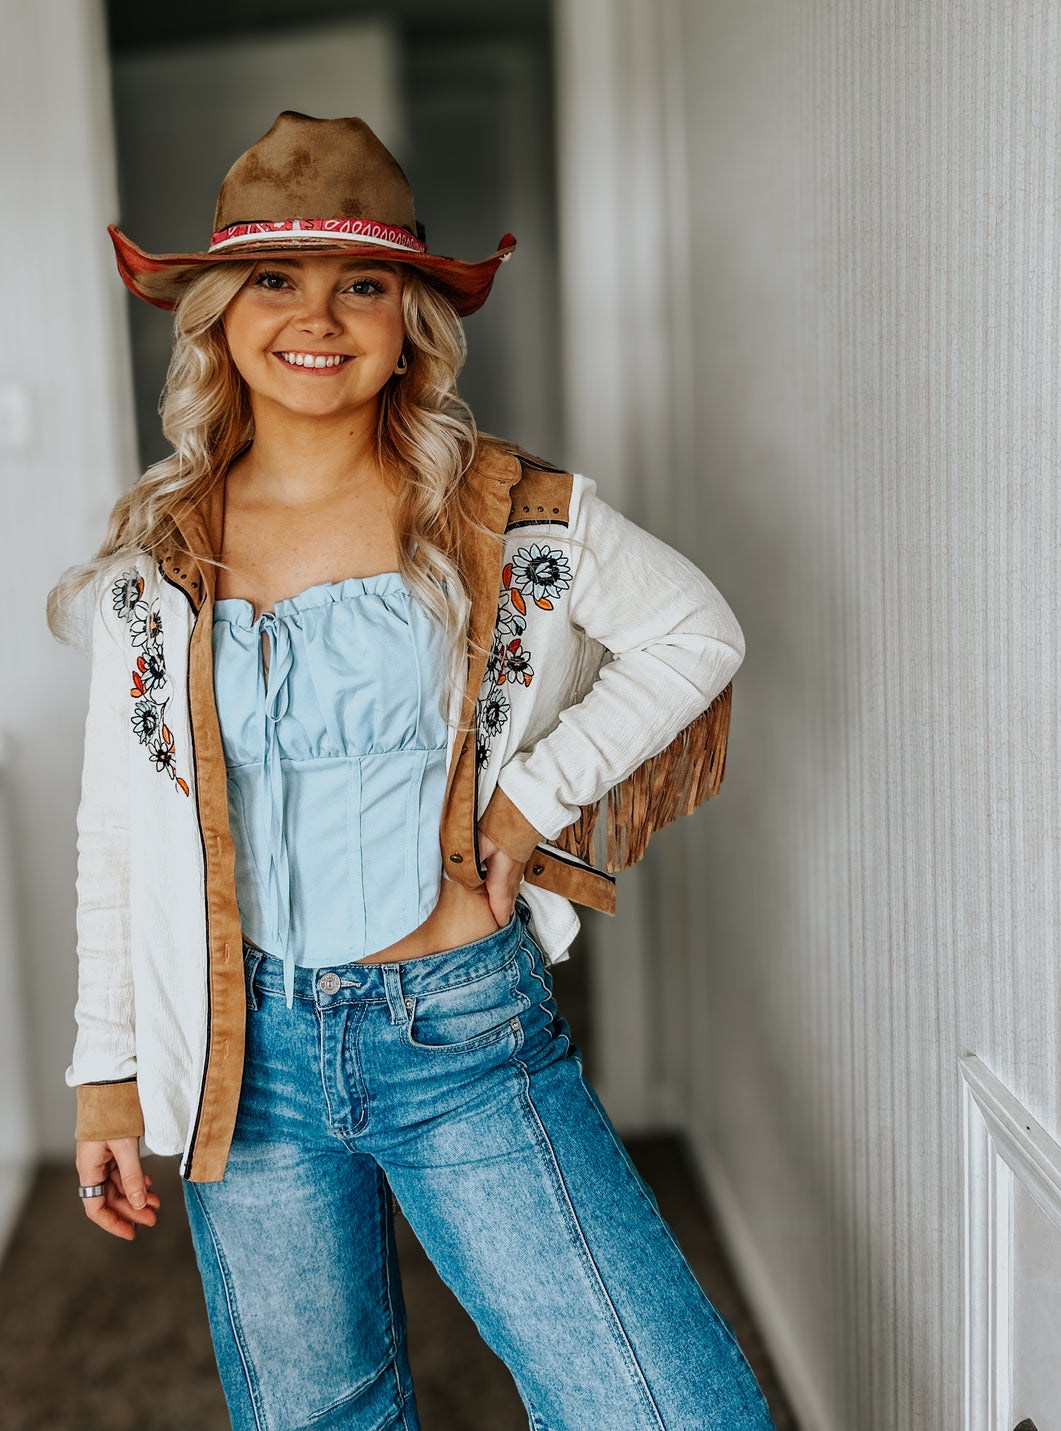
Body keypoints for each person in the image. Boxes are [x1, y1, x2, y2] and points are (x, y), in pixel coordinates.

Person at [49, 111, 774, 1429]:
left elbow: (694, 634)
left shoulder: (505, 509)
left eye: (363, 285)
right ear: (220, 315)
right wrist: (107, 1067)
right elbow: (117, 827)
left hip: (460, 1030)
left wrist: (532, 797)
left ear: (409, 322)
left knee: (667, 1411)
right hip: (244, 1052)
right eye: (275, 279)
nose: (316, 318)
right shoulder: (160, 556)